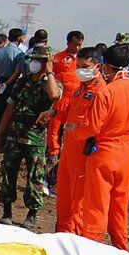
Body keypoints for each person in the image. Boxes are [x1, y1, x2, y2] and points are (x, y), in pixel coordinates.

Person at [72, 44, 129, 250]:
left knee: (96, 206)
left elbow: (91, 127)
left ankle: (92, 251)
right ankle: (120, 248)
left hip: (103, 152)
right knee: (120, 206)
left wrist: (75, 131)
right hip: (126, 152)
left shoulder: (106, 93)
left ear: (106, 66)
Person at [0, 45, 62, 228]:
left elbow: (54, 96)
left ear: (48, 63)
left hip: (35, 140)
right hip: (14, 137)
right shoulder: (22, 82)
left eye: (40, 60)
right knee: (8, 175)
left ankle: (32, 214)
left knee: (34, 178)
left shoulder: (51, 83)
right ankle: (7, 210)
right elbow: (9, 109)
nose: (34, 63)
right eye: (33, 59)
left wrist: (50, 72)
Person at [43, 46, 106, 233]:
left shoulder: (100, 92)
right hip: (69, 152)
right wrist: (53, 111)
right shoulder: (81, 89)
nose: (80, 70)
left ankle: (74, 239)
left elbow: (94, 125)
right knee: (64, 198)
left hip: (82, 154)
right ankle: (61, 235)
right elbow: (70, 107)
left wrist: (76, 131)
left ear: (98, 67)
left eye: (85, 66)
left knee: (77, 202)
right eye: (78, 66)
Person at [44, 31, 84, 192]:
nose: (77, 47)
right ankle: (53, 155)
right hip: (60, 100)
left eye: (80, 44)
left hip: (76, 103)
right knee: (54, 129)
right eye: (75, 44)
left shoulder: (83, 61)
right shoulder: (59, 58)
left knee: (71, 132)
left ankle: (65, 156)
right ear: (68, 43)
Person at [0, 28, 26, 145]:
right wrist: (7, 84)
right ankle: (2, 139)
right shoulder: (19, 54)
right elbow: (17, 72)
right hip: (11, 83)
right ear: (20, 38)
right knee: (8, 112)